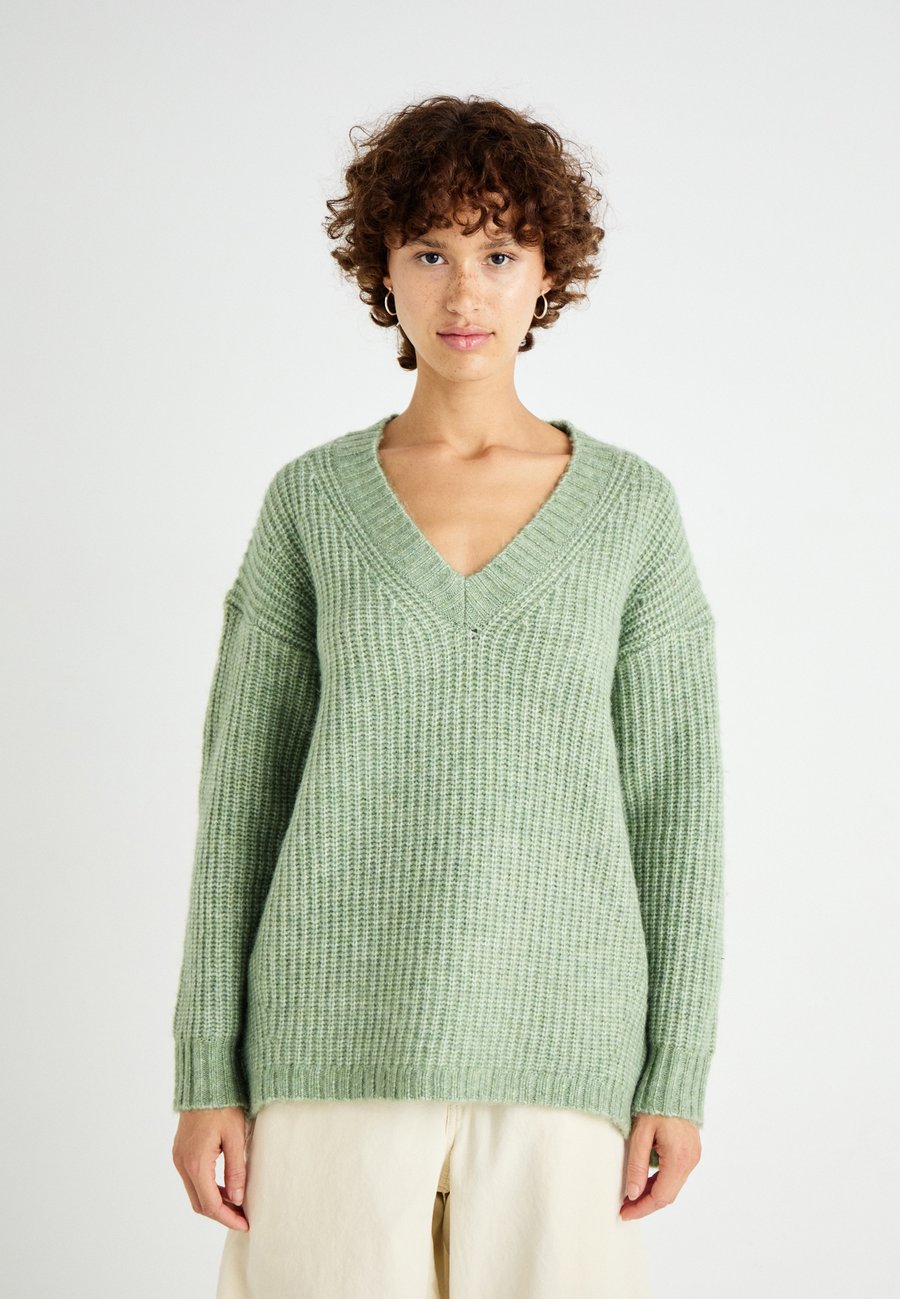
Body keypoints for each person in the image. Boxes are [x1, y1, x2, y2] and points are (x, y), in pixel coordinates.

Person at [171, 94, 725, 1299]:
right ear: (382, 269)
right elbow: (242, 805)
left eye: (499, 252)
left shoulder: (631, 512)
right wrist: (206, 1070)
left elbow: (677, 812)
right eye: (429, 252)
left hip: (563, 1056)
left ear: (548, 273)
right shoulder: (313, 505)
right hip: (328, 1052)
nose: (464, 291)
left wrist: (675, 1074)